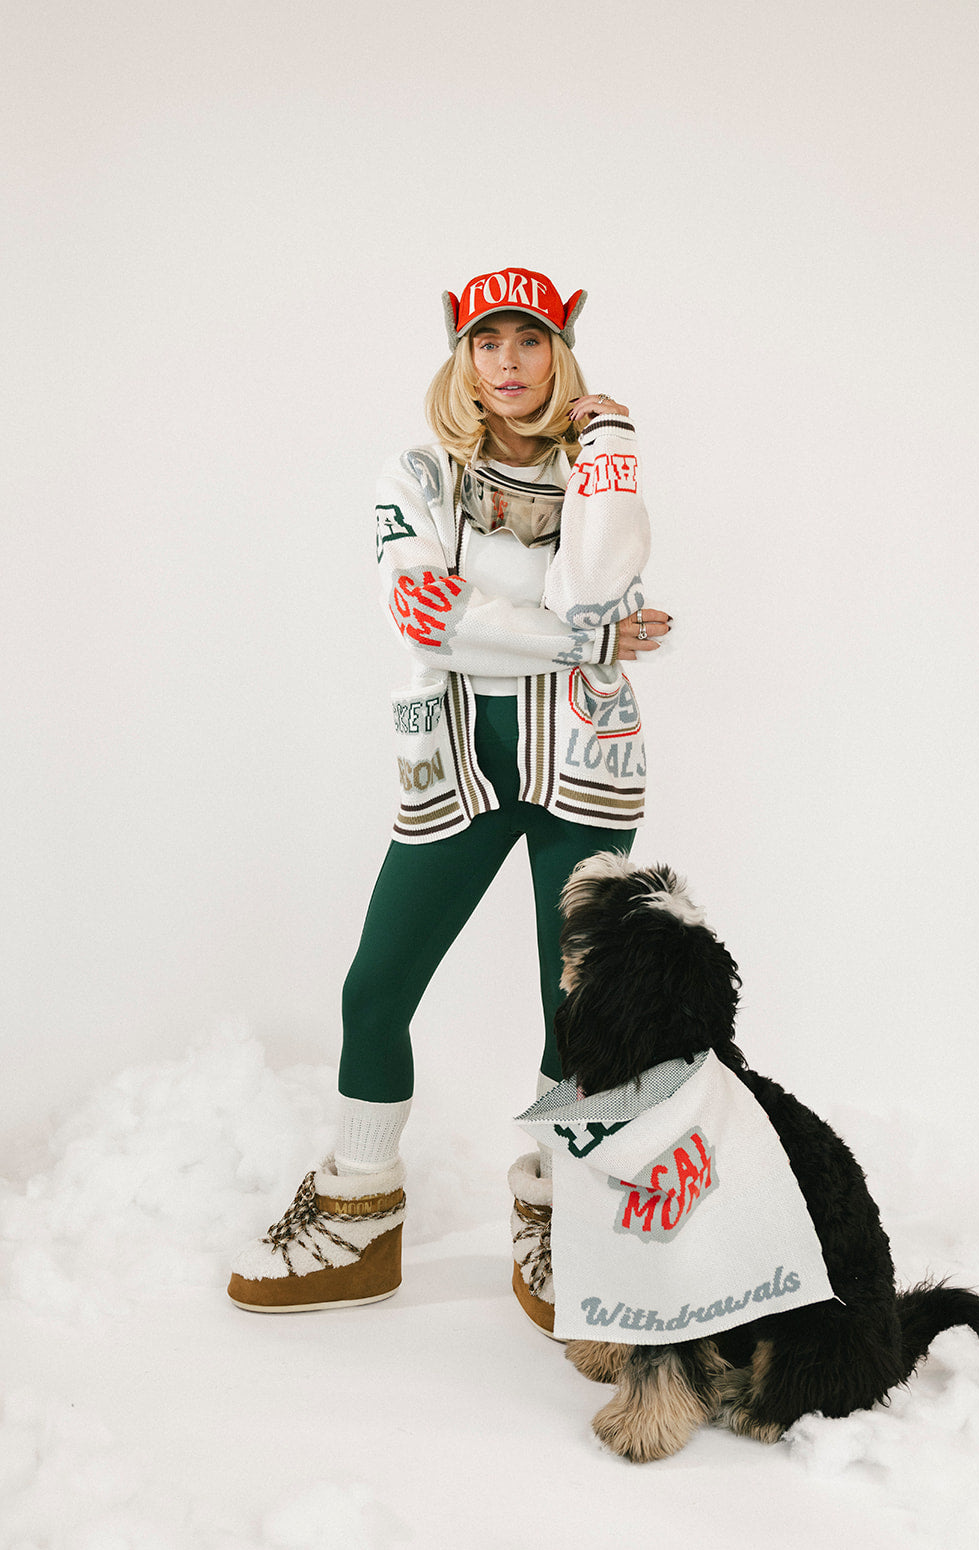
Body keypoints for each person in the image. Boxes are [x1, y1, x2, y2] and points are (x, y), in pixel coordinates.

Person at [227, 266, 670, 1313]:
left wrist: (607, 448)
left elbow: (596, 578)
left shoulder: (597, 463)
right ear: (460, 355)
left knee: (576, 1009)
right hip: (455, 764)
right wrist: (588, 642)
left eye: (526, 342)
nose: (505, 365)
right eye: (485, 343)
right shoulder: (417, 475)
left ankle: (555, 1215)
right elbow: (430, 617)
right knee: (376, 987)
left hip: (585, 765)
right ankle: (357, 1214)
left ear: (557, 350)